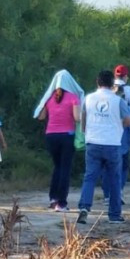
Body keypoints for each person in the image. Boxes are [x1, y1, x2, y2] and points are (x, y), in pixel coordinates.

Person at [77, 70, 130, 225]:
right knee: (114, 179)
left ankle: (84, 207)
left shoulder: (88, 99)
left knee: (90, 177)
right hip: (112, 144)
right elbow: (128, 121)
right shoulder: (118, 101)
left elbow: (83, 120)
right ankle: (114, 215)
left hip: (93, 142)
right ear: (112, 83)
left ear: (97, 82)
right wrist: (117, 126)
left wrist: (87, 131)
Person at [35, 70, 83, 212]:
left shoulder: (49, 98)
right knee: (65, 169)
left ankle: (53, 198)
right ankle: (61, 203)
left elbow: (41, 117)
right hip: (67, 136)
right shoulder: (73, 97)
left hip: (51, 136)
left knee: (57, 167)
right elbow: (77, 118)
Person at [113, 64, 130, 191]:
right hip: (124, 129)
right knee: (123, 163)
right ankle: (119, 190)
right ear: (125, 76)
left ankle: (108, 193)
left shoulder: (108, 86)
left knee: (109, 163)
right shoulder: (128, 90)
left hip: (109, 128)